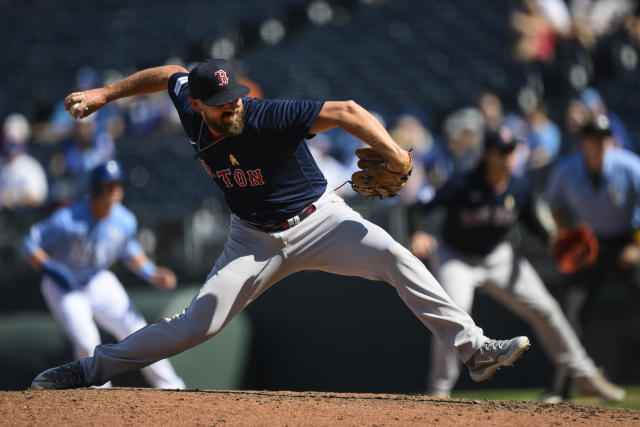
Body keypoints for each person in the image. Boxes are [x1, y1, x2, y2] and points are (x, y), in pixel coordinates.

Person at [30, 59, 530, 390]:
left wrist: (396, 154)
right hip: (252, 239)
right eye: (223, 106)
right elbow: (170, 73)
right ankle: (88, 370)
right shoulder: (189, 103)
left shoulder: (265, 115)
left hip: (321, 220)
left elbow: (348, 111)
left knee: (397, 258)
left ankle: (476, 348)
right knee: (196, 325)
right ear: (198, 106)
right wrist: (105, 93)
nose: (235, 109)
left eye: (238, 99)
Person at [409, 128, 625, 401]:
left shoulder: (519, 187)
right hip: (457, 256)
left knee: (546, 309)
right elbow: (422, 205)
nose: (510, 156)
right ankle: (439, 390)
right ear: (488, 154)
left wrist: (553, 242)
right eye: (504, 150)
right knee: (455, 313)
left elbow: (535, 224)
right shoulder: (464, 183)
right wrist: (418, 231)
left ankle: (585, 375)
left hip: (498, 256)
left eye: (513, 149)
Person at [23, 160, 185, 390]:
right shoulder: (67, 219)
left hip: (98, 278)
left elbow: (130, 250)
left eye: (117, 185)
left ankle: (173, 388)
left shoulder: (124, 219)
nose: (114, 191)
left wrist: (151, 272)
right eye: (108, 185)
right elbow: (29, 243)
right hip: (64, 287)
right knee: (87, 343)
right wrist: (51, 268)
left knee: (139, 331)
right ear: (95, 189)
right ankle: (99, 400)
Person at [544, 114, 640, 401]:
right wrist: (565, 233)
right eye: (594, 138)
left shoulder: (627, 163)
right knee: (570, 313)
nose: (600, 143)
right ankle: (559, 389)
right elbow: (554, 204)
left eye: (604, 137)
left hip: (626, 241)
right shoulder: (567, 169)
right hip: (589, 246)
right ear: (583, 141)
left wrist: (637, 244)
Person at [0, 113, 48, 211]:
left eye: (14, 143)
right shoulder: (2, 165)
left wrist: (15, 197)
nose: (10, 147)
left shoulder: (31, 166)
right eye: (8, 142)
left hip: (23, 219)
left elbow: (38, 199)